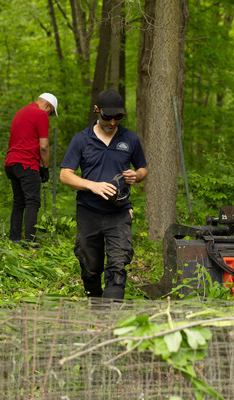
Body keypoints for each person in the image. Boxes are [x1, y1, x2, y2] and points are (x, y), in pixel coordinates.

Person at [60, 89, 148, 300]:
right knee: (90, 267)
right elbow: (65, 175)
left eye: (118, 117)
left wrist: (136, 175)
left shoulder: (130, 139)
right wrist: (92, 185)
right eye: (108, 117)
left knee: (117, 266)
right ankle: (95, 305)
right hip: (88, 211)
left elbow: (143, 169)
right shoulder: (81, 140)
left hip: (118, 212)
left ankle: (111, 314)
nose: (113, 122)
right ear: (96, 110)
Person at [5, 93, 58, 247]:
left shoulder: (20, 112)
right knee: (32, 202)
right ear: (48, 106)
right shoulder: (41, 114)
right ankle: (30, 242)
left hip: (11, 163)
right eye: (50, 112)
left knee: (18, 202)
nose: (49, 116)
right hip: (26, 163)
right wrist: (45, 168)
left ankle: (14, 240)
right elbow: (44, 146)